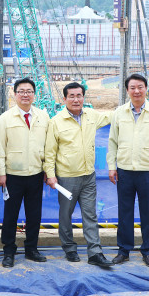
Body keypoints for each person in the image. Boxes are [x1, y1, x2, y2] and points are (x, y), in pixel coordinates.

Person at [44, 82, 114, 268]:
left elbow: (111, 117)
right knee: (65, 215)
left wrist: (131, 105)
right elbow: (49, 152)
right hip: (66, 177)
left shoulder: (91, 116)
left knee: (90, 214)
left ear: (83, 97)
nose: (76, 100)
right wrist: (50, 174)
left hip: (88, 175)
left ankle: (95, 252)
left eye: (79, 96)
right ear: (64, 99)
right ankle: (69, 249)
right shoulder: (56, 122)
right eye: (72, 96)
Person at [107, 74, 149, 267]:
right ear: (127, 90)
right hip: (124, 171)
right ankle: (123, 250)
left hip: (148, 172)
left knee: (148, 213)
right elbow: (112, 142)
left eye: (140, 87)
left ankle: (147, 251)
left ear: (146, 89)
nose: (136, 91)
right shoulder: (119, 113)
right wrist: (112, 166)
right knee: (124, 213)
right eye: (132, 87)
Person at [0, 78, 50, 267]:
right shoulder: (5, 118)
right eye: (21, 91)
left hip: (36, 173)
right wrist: (1, 172)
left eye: (29, 91)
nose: (25, 95)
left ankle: (31, 249)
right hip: (13, 175)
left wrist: (47, 169)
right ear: (15, 94)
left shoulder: (43, 117)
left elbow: (49, 147)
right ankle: (8, 251)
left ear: (34, 94)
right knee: (10, 215)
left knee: (34, 215)